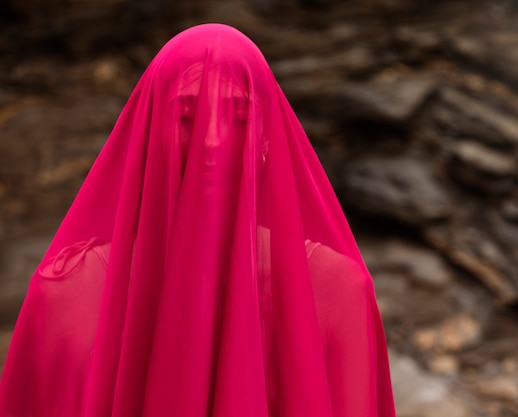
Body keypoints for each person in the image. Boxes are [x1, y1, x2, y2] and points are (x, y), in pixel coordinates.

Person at [0, 24, 396, 417]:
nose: (212, 139)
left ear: (265, 137)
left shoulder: (336, 292)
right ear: (151, 129)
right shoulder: (67, 296)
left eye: (238, 116)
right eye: (187, 115)